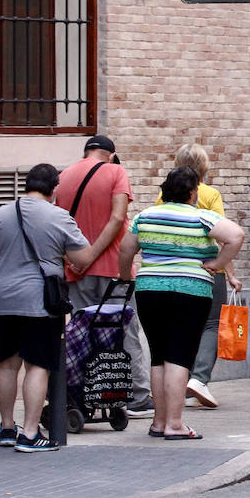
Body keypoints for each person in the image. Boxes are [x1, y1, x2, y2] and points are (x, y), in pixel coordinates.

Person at [118, 167, 244, 441]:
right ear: (191, 193)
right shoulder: (202, 216)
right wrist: (218, 264)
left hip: (150, 291)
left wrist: (126, 275)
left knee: (159, 356)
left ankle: (159, 421)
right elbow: (236, 236)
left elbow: (126, 249)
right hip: (191, 291)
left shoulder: (145, 216)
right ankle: (175, 424)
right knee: (180, 355)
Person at [0, 164, 98, 453]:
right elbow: (83, 256)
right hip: (39, 301)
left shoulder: (1, 213)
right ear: (54, 189)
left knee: (7, 364)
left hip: (2, 298)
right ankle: (31, 434)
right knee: (38, 366)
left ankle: (7, 428)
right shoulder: (58, 217)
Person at [53, 135, 154, 416]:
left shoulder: (64, 176)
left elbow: (57, 226)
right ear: (110, 155)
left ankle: (86, 398)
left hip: (75, 270)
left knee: (83, 334)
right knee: (124, 332)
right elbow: (118, 217)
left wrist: (75, 260)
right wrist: (93, 254)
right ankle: (136, 397)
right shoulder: (115, 171)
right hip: (112, 269)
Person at [155, 144, 229, 408]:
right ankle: (198, 379)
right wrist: (227, 270)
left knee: (177, 329)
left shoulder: (165, 195)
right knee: (210, 325)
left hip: (168, 270)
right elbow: (223, 235)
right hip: (207, 269)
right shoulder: (210, 194)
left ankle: (179, 385)